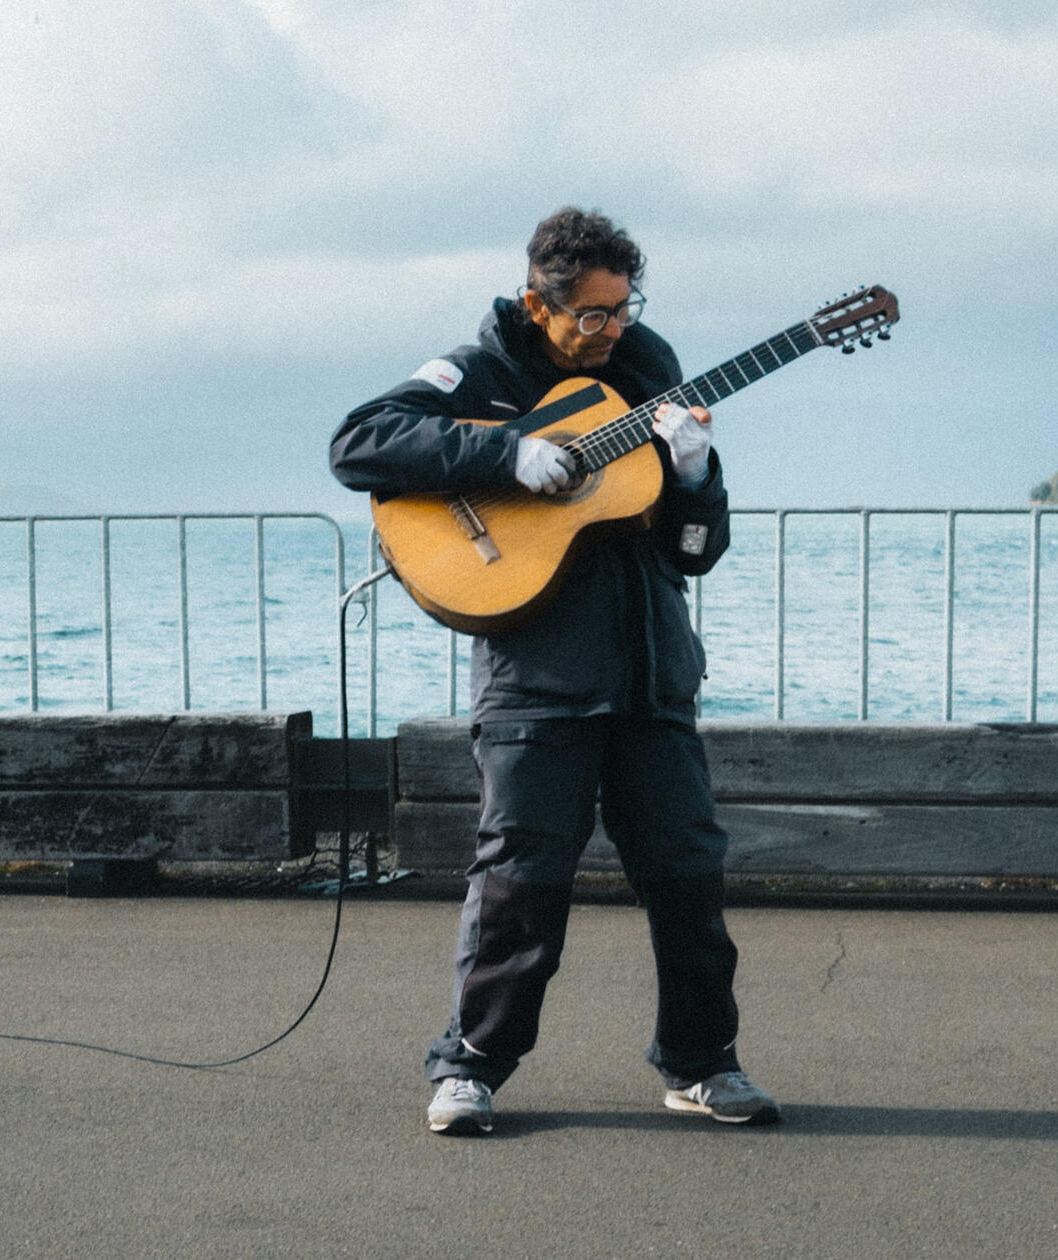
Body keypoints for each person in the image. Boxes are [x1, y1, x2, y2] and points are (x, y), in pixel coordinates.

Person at [329, 207, 779, 1135]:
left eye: (624, 308)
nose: (611, 329)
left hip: (651, 675)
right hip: (533, 681)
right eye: (592, 314)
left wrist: (697, 479)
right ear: (539, 303)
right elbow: (359, 442)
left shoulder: (649, 374)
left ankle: (702, 1064)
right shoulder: (478, 371)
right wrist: (507, 452)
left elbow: (694, 553)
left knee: (689, 878)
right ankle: (470, 1067)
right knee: (520, 885)